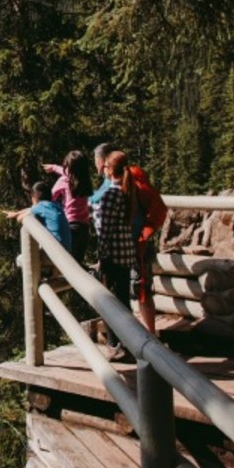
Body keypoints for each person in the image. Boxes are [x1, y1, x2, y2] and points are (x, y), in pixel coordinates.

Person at [93, 150, 138, 362]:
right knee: (122, 300)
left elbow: (105, 230)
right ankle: (129, 343)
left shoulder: (111, 194)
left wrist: (101, 256)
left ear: (109, 169)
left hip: (113, 254)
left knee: (110, 302)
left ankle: (116, 345)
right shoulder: (127, 190)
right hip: (126, 251)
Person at [42, 151, 93, 262]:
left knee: (68, 262)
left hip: (70, 225)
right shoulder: (86, 180)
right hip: (84, 227)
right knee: (78, 263)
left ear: (68, 167)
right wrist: (55, 168)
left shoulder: (64, 181)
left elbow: (50, 197)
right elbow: (71, 172)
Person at [6, 181, 71, 253]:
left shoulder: (41, 206)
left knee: (20, 259)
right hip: (66, 252)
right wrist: (15, 213)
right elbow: (30, 209)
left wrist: (17, 216)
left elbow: (20, 218)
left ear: (34, 198)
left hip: (55, 252)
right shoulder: (54, 206)